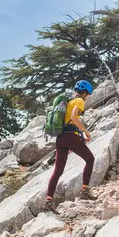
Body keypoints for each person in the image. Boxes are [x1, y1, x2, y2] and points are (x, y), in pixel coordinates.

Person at [43, 80, 97, 213]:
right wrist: (85, 131)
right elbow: (73, 117)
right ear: (85, 93)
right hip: (70, 137)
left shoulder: (67, 101)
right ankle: (85, 190)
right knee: (90, 159)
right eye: (88, 94)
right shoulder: (79, 101)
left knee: (58, 171)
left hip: (60, 138)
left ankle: (48, 202)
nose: (88, 97)